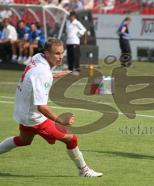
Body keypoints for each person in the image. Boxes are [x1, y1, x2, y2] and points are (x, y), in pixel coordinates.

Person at [0, 38, 103, 177]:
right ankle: (84, 170)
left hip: (23, 111)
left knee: (24, 140)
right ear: (47, 53)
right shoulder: (42, 72)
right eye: (57, 53)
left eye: (62, 53)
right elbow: (41, 107)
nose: (60, 57)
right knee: (71, 139)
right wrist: (61, 120)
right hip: (34, 118)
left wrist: (68, 73)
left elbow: (46, 76)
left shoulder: (37, 57)